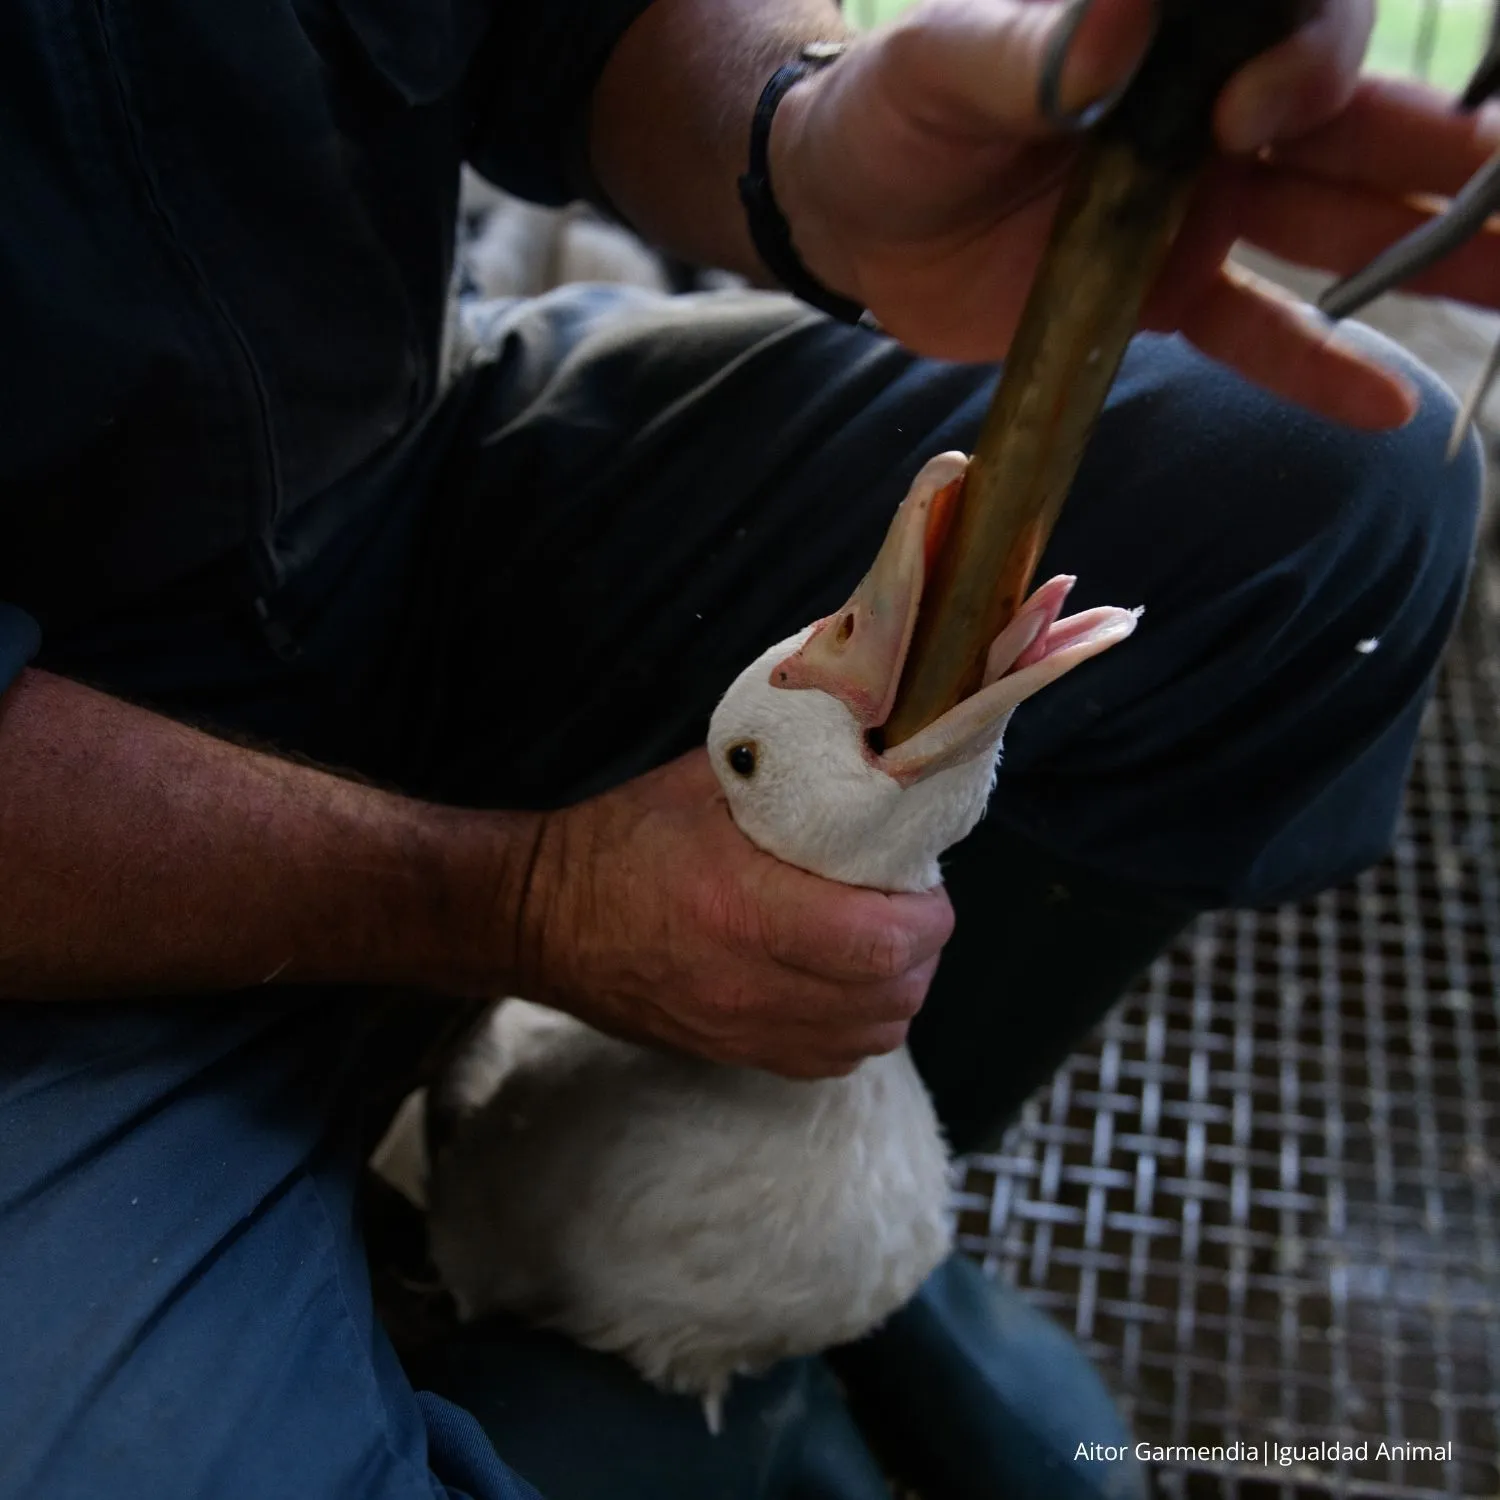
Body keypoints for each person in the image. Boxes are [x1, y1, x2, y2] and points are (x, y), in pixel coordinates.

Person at [0, 1, 1491, 1497]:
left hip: (389, 483)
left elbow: (551, 31)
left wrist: (803, 138)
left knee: (1341, 478)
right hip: (48, 860)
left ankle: (845, 1247)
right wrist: (525, 901)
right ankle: (629, 1398)